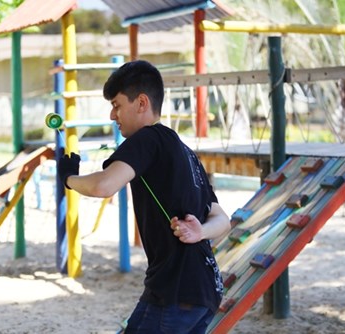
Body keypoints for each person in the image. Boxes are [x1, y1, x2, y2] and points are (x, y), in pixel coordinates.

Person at [57, 60, 231, 333]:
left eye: (116, 105)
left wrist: (68, 178)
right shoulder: (187, 153)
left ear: (141, 103)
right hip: (203, 290)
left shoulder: (147, 139)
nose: (113, 116)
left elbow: (104, 186)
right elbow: (222, 219)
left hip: (177, 290)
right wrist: (200, 232)